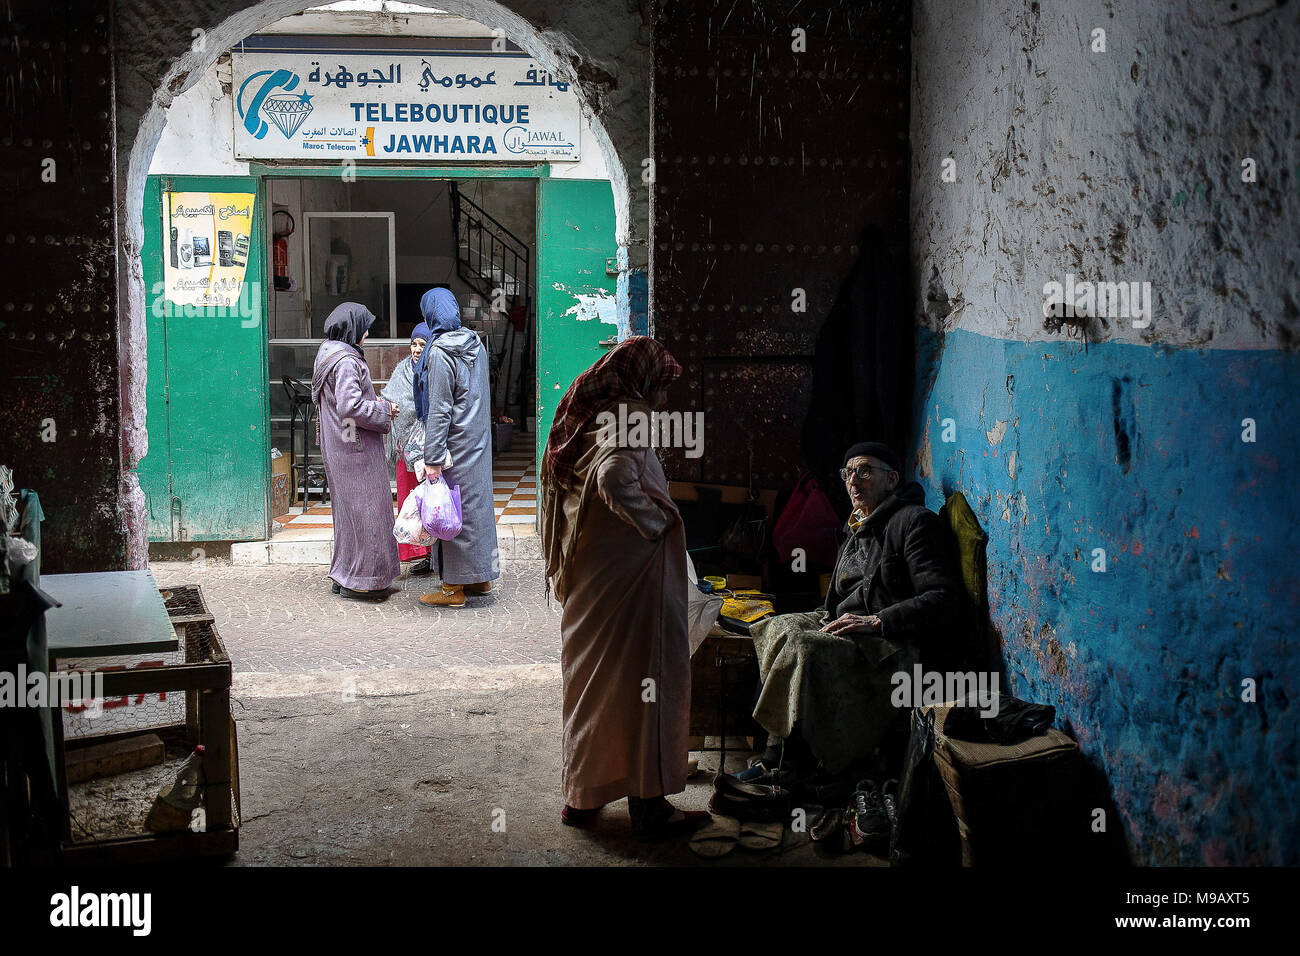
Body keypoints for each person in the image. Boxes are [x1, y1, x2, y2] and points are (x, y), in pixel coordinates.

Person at [539, 337, 708, 838]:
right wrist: (654, 524)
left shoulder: (590, 408)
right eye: (660, 382)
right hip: (631, 579)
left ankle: (583, 799)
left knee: (595, 687)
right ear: (642, 378)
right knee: (646, 683)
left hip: (594, 574)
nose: (661, 395)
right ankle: (651, 809)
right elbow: (614, 478)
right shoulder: (630, 412)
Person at [742, 441, 969, 780]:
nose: (853, 481)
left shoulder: (914, 523)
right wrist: (825, 616)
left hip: (890, 641)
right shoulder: (857, 524)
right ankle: (779, 746)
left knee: (803, 647)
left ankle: (784, 765)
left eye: (864, 471)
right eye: (848, 473)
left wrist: (879, 620)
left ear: (891, 480)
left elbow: (943, 597)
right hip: (845, 620)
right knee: (774, 626)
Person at [411, 287, 499, 607]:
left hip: (453, 446)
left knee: (450, 513)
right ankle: (480, 578)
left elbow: (440, 409)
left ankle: (452, 590)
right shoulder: (475, 343)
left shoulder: (439, 352)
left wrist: (432, 456)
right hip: (478, 440)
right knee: (476, 512)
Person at [311, 303, 401, 600]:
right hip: (355, 448)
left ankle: (344, 575)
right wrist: (385, 408)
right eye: (364, 327)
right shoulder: (347, 361)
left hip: (338, 446)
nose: (367, 333)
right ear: (353, 330)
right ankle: (366, 582)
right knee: (370, 513)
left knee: (348, 514)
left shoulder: (328, 352)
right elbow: (350, 406)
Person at [380, 322, 432, 575]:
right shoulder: (401, 370)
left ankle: (430, 553)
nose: (416, 349)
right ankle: (413, 552)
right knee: (407, 500)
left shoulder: (434, 370)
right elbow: (391, 395)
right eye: (414, 343)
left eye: (422, 344)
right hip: (404, 449)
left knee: (428, 502)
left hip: (425, 450)